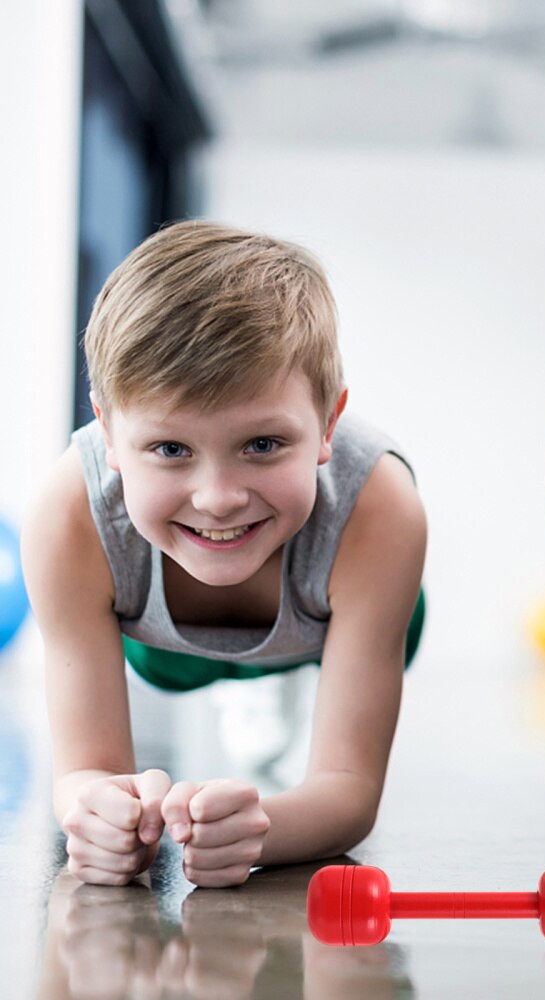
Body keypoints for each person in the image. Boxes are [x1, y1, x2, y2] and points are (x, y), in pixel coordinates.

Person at [22, 221, 427, 888]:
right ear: (109, 435)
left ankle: (287, 687)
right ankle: (248, 691)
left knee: (397, 622)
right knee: (172, 665)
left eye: (263, 444)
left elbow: (348, 790)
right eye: (171, 449)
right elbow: (84, 772)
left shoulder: (380, 509)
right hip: (162, 652)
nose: (217, 500)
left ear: (328, 424)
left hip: (323, 630)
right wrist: (98, 813)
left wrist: (261, 825)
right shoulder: (68, 517)